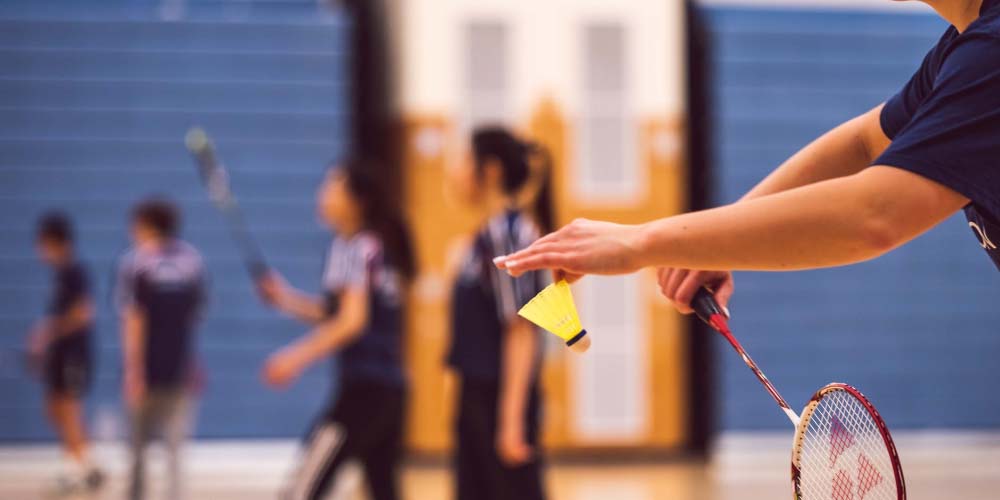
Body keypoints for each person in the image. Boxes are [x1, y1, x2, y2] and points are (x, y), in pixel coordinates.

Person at [495, 0, 1000, 311]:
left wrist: (640, 241)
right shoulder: (962, 48)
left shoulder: (991, 51)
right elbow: (864, 143)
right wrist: (710, 245)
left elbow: (875, 215)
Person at [257, 159, 415, 500]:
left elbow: (351, 322)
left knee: (302, 490)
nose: (323, 194)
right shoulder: (375, 246)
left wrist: (294, 357)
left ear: (357, 201)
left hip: (363, 392)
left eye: (332, 186)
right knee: (384, 488)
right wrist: (285, 299)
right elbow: (337, 312)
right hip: (391, 389)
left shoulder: (355, 247)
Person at [445, 127, 552, 500]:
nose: (455, 171)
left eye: (463, 160)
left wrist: (511, 421)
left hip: (498, 398)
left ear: (489, 170)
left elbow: (521, 329)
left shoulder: (509, 234)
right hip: (476, 395)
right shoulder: (484, 235)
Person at [115, 198, 206, 500]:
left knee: (137, 450)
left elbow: (133, 319)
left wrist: (133, 369)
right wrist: (193, 362)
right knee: (175, 450)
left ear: (147, 226)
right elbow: (193, 318)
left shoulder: (136, 263)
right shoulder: (191, 261)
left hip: (147, 369)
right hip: (179, 367)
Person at [28, 212, 105, 495]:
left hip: (74, 354)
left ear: (55, 242)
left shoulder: (75, 272)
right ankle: (88, 465)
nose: (40, 251)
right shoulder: (60, 275)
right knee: (54, 408)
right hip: (60, 354)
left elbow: (84, 313)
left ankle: (74, 470)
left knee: (69, 409)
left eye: (43, 244)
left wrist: (48, 331)